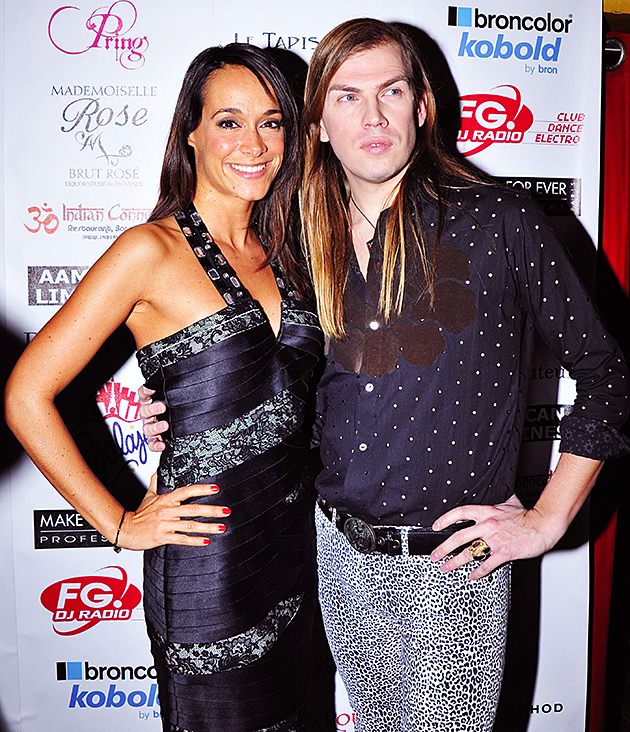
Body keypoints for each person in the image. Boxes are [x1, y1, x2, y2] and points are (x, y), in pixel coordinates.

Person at [140, 18, 630, 732]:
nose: (372, 116)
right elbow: (279, 376)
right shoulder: (297, 242)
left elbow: (607, 374)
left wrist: (548, 518)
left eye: (391, 92)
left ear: (421, 107)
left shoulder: (500, 221)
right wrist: (192, 404)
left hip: (454, 575)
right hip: (333, 561)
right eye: (346, 96)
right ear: (316, 127)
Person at [6, 44, 322, 732]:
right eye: (229, 122)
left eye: (271, 123)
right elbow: (26, 394)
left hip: (297, 548)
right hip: (207, 562)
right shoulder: (148, 251)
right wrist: (119, 523)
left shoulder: (292, 251)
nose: (253, 144)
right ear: (192, 134)